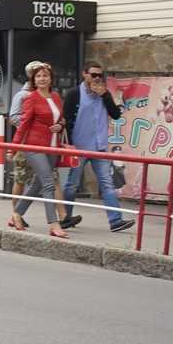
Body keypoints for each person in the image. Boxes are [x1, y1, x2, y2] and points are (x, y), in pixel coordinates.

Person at [61, 63, 129, 231]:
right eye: (93, 75)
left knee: (107, 184)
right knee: (72, 184)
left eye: (100, 75)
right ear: (85, 74)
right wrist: (69, 145)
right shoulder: (74, 94)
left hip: (99, 147)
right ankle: (65, 217)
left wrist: (105, 95)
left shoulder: (104, 94)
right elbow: (66, 120)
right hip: (79, 147)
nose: (97, 78)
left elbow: (116, 114)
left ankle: (116, 221)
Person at [9, 60, 70, 238]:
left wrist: (60, 125)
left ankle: (17, 214)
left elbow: (59, 119)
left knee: (37, 184)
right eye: (38, 76)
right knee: (48, 183)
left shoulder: (57, 97)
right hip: (34, 146)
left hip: (53, 146)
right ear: (34, 80)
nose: (42, 79)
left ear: (51, 79)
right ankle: (53, 223)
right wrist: (12, 148)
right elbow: (23, 125)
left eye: (45, 76)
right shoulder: (31, 98)